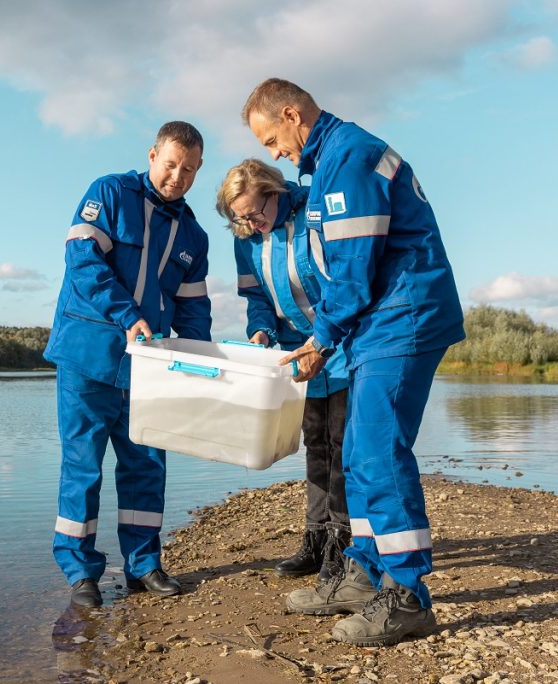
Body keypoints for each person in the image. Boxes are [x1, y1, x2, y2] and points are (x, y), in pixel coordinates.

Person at [241, 78, 465, 646]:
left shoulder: (348, 161)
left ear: (292, 115)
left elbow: (353, 269)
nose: (275, 154)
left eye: (272, 139)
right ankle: (364, 572)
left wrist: (319, 341)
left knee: (375, 452)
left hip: (402, 318)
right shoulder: (333, 163)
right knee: (359, 453)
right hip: (378, 326)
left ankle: (409, 596)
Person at [44, 121, 212, 608]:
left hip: (149, 370)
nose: (177, 177)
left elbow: (193, 307)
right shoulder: (109, 192)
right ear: (153, 154)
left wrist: (198, 358)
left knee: (146, 466)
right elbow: (82, 260)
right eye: (170, 164)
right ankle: (81, 572)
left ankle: (143, 565)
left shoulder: (194, 235)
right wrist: (128, 316)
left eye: (189, 169)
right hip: (87, 360)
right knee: (83, 467)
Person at [215, 158, 350, 580]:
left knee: (343, 443)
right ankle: (315, 539)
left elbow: (340, 283)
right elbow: (258, 300)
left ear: (277, 193)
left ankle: (344, 547)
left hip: (340, 343)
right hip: (295, 355)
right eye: (241, 217)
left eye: (257, 212)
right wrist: (260, 331)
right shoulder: (246, 238)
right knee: (315, 442)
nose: (252, 223)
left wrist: (323, 340)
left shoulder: (314, 215)